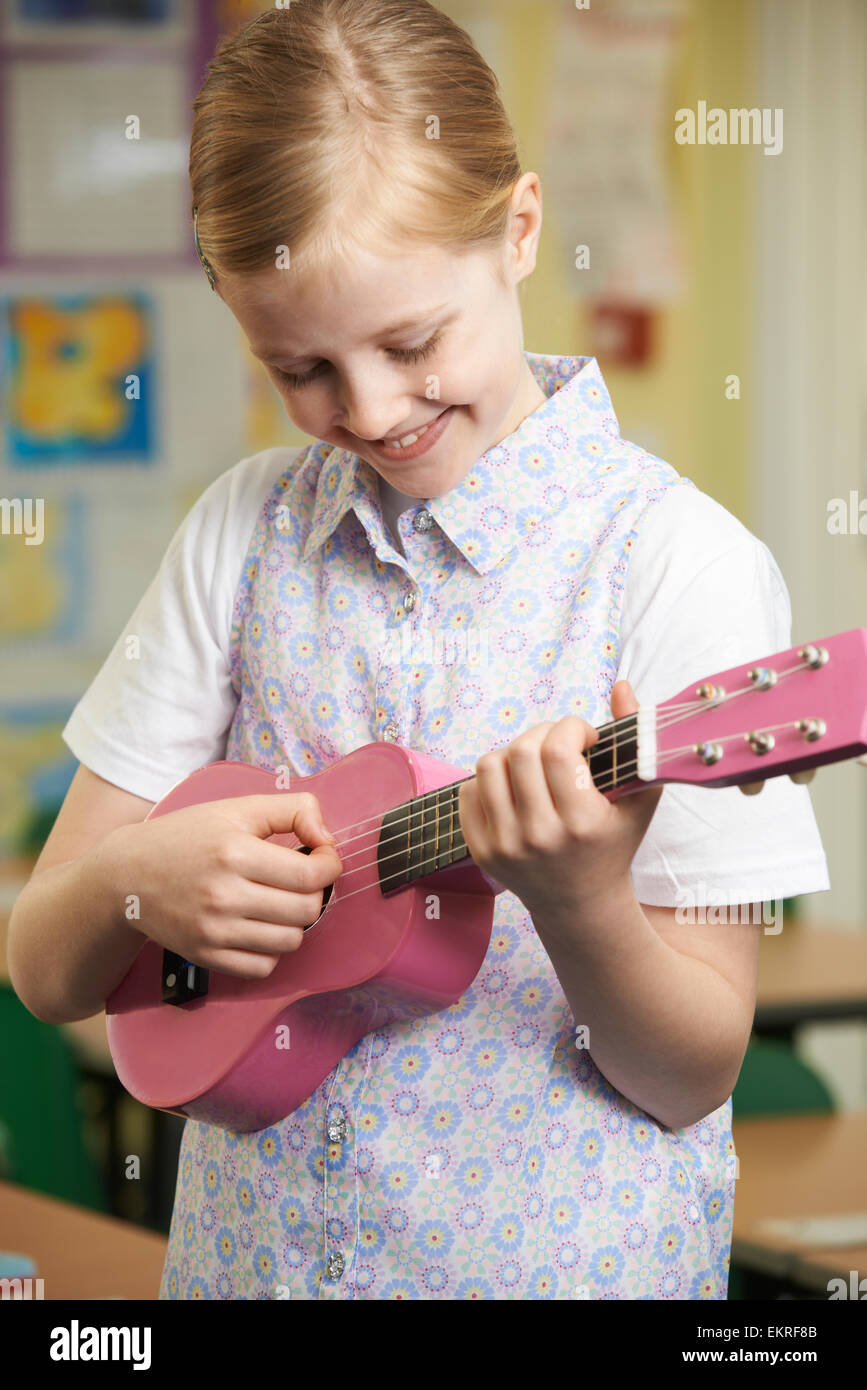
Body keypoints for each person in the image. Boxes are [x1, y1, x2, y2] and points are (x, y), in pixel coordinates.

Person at [8, 0, 828, 1300]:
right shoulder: (242, 534)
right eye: (303, 368)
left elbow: (693, 1070)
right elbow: (46, 963)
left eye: (411, 341)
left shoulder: (683, 568)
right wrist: (141, 885)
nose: (373, 409)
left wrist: (580, 899)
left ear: (517, 228)